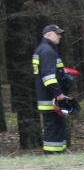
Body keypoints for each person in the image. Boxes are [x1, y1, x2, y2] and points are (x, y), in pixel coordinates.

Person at [31, 24, 77, 154]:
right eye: (57, 34)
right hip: (51, 98)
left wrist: (64, 73)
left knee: (56, 126)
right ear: (49, 34)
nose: (60, 36)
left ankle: (59, 153)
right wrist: (59, 94)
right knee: (53, 127)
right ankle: (52, 155)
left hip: (47, 97)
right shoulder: (47, 51)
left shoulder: (43, 49)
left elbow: (48, 72)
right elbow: (48, 76)